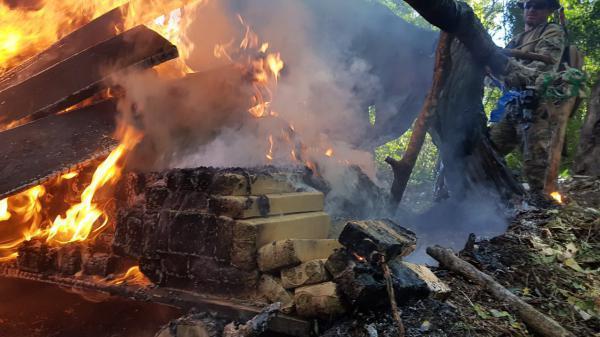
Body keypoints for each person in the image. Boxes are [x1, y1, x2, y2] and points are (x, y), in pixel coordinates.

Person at [489, 0, 565, 206]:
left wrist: (505, 67)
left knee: (536, 161)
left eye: (539, 6)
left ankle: (540, 208)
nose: (531, 10)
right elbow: (495, 74)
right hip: (512, 103)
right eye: (528, 6)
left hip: (536, 102)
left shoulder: (551, 31)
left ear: (549, 10)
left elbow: (541, 70)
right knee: (490, 149)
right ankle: (493, 196)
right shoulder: (518, 39)